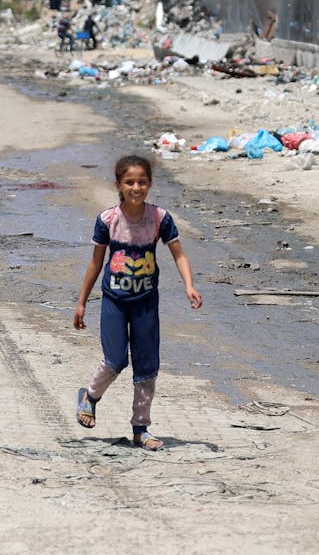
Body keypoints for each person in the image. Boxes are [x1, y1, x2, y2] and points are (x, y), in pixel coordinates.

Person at [73, 155, 201, 450]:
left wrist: (189, 285)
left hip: (145, 303)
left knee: (146, 365)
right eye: (129, 182)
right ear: (119, 184)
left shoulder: (159, 218)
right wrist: (81, 302)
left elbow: (179, 254)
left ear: (150, 184)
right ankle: (90, 396)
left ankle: (140, 429)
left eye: (142, 182)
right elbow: (95, 263)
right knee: (115, 360)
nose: (136, 187)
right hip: (114, 302)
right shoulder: (108, 220)